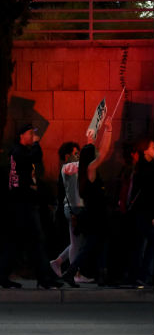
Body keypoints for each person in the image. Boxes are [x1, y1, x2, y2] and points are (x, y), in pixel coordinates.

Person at [0, 123, 62, 289]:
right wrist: (36, 143)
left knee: (17, 242)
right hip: (22, 204)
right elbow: (35, 156)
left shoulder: (17, 152)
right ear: (21, 135)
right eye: (29, 133)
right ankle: (44, 279)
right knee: (36, 241)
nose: (32, 136)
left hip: (20, 203)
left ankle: (3, 277)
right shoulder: (19, 152)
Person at [61, 120, 113, 288]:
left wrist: (91, 138)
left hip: (93, 213)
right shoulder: (91, 169)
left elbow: (94, 151)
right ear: (91, 158)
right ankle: (72, 271)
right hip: (96, 214)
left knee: (99, 244)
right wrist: (108, 130)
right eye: (94, 153)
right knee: (90, 245)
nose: (98, 155)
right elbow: (104, 151)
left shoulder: (84, 169)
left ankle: (101, 274)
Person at [49, 142, 94, 284]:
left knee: (77, 241)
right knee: (76, 243)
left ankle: (58, 262)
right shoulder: (68, 168)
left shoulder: (70, 168)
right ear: (67, 155)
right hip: (73, 208)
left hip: (71, 208)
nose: (78, 155)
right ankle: (74, 273)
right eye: (75, 153)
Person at [129, 138, 154, 287]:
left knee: (141, 244)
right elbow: (148, 193)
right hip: (144, 212)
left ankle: (141, 274)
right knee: (145, 243)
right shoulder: (144, 169)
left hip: (143, 211)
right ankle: (144, 274)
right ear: (146, 150)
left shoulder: (144, 167)